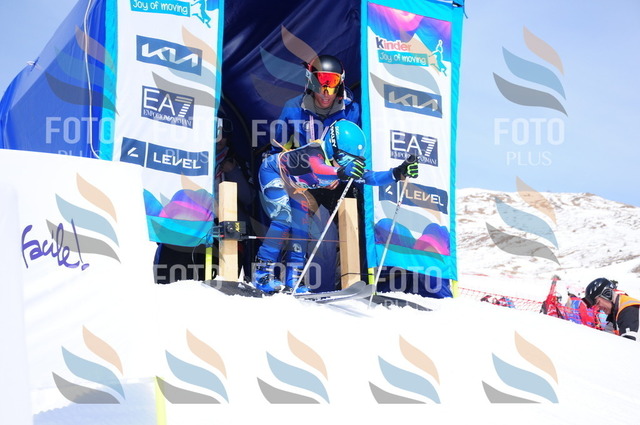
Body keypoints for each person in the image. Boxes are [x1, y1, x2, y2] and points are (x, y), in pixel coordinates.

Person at [253, 120, 418, 294]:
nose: (346, 164)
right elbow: (317, 169)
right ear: (333, 148)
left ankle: (294, 278)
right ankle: (262, 273)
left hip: (295, 186)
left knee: (301, 229)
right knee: (283, 218)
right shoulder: (314, 152)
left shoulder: (340, 166)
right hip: (273, 171)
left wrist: (396, 173)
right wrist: (341, 172)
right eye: (344, 158)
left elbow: (370, 177)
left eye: (352, 161)